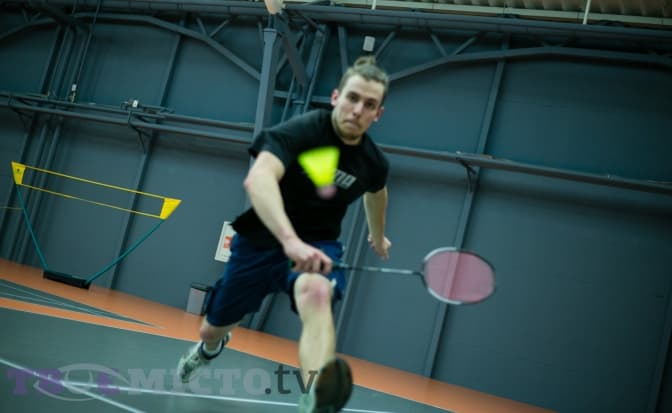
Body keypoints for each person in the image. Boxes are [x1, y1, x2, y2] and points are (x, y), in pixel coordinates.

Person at [177, 55, 392, 413]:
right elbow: (259, 179)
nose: (358, 110)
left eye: (369, 104)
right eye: (353, 98)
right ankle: (210, 349)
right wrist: (289, 241)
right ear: (336, 97)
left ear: (378, 114)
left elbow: (377, 192)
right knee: (210, 329)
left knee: (317, 292)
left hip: (318, 244)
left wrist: (378, 234)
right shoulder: (304, 130)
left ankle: (316, 397)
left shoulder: (373, 162)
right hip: (261, 240)